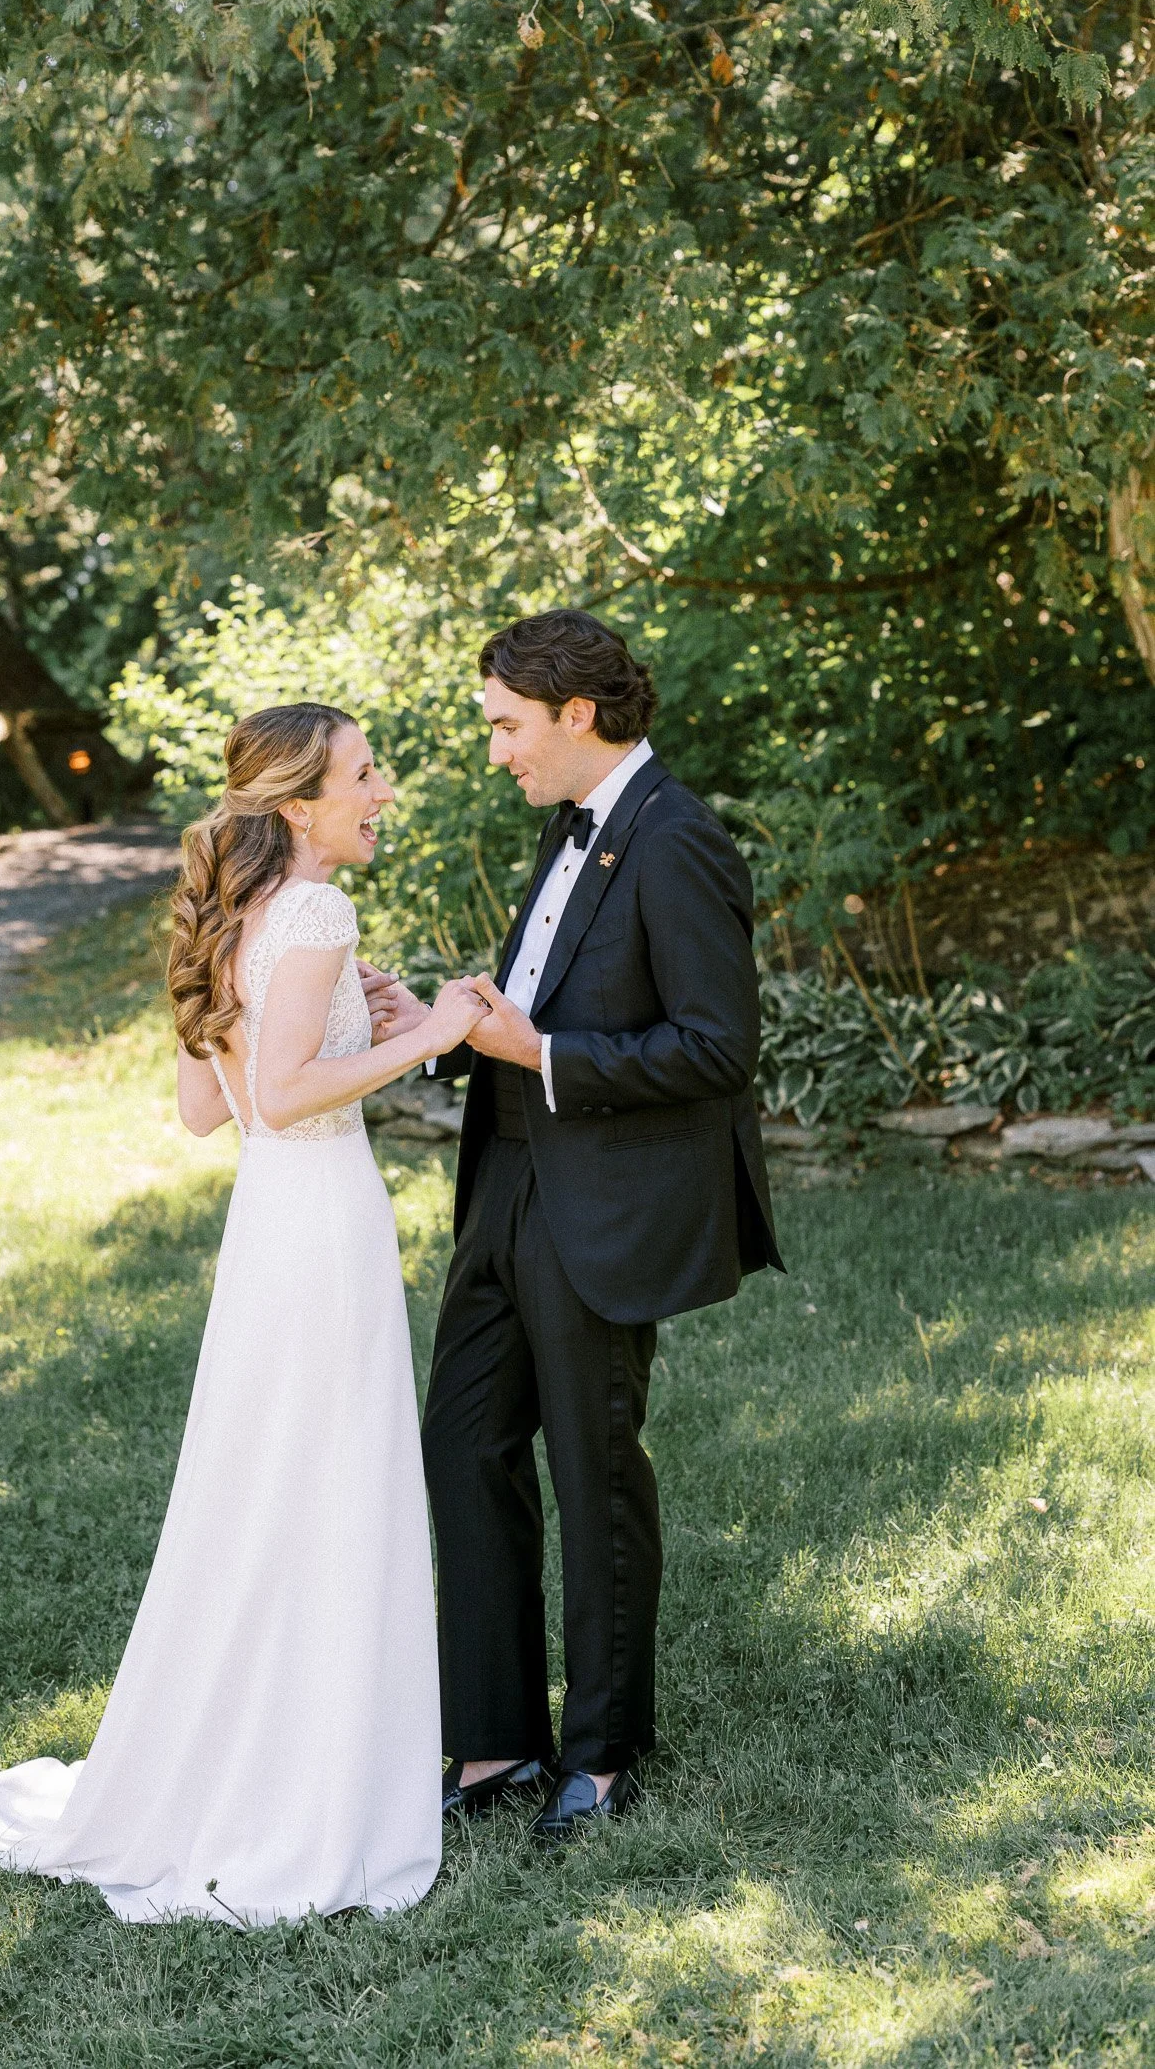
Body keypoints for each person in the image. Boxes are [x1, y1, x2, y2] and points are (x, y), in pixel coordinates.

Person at [0, 703, 488, 1924]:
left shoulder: (237, 915)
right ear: (298, 804)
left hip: (268, 1233)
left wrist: (363, 1013)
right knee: (327, 1486)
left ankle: (247, 1757)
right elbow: (284, 1098)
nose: (380, 789)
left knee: (268, 1491)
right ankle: (311, 1787)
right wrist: (435, 1033)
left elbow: (209, 1109)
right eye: (363, 771)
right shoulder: (318, 911)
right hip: (320, 1223)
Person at [365, 610, 783, 1844]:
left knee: (594, 1472)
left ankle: (601, 1752)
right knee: (462, 1444)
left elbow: (718, 1047)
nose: (494, 750)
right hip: (505, 1190)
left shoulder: (677, 840)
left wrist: (537, 1049)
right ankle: (495, 1739)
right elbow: (544, 1002)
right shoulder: (571, 829)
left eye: (504, 725)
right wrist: (441, 1027)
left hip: (602, 1207)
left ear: (575, 715)